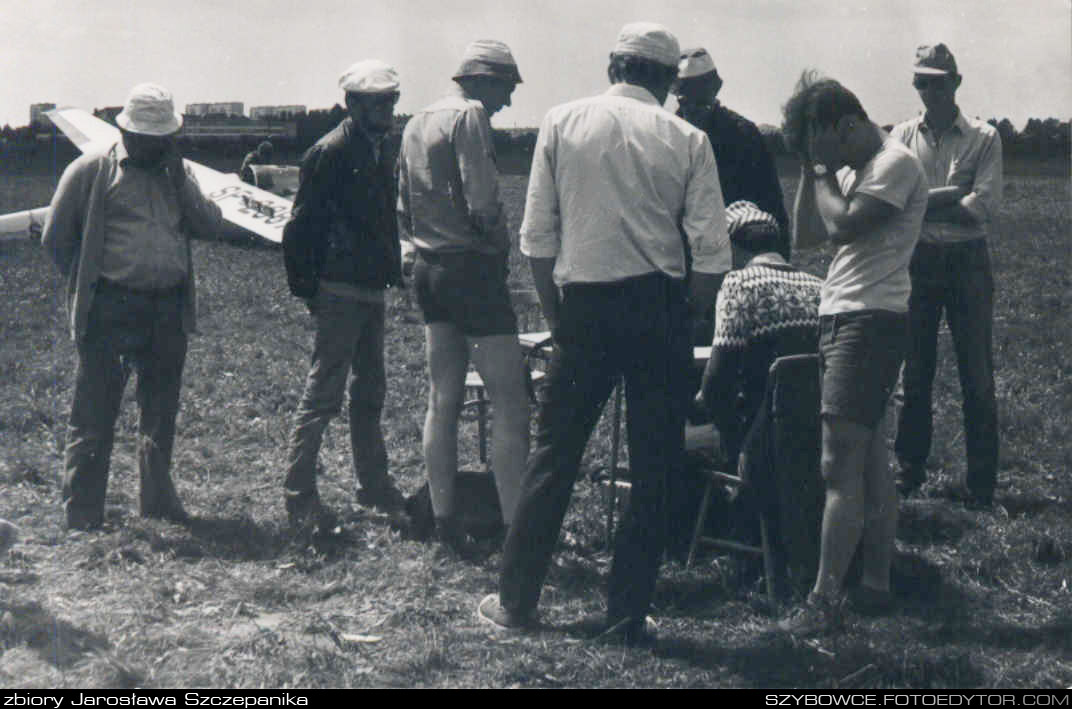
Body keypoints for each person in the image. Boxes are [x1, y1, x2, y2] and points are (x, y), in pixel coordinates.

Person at [476, 22, 730, 645]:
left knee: (554, 456)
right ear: (669, 81)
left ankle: (514, 602)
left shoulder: (562, 123)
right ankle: (626, 615)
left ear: (614, 65)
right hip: (659, 310)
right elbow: (712, 256)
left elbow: (538, 239)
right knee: (654, 466)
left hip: (584, 306)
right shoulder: (689, 138)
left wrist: (558, 315)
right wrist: (685, 315)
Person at [778, 71, 927, 634]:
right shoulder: (856, 169)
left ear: (846, 124)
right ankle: (875, 585)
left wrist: (819, 169)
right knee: (867, 461)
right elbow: (807, 237)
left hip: (867, 319)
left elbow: (839, 225)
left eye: (824, 141)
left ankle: (822, 602)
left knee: (837, 462)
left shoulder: (895, 163)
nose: (823, 157)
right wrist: (811, 166)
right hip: (849, 315)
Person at [42, 83, 223, 530]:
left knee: (159, 412)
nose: (156, 147)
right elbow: (56, 237)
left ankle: (157, 501)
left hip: (167, 309)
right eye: (148, 138)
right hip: (112, 308)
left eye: (164, 139)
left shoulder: (177, 175)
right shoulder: (90, 170)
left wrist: (184, 184)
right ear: (128, 132)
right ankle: (82, 511)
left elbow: (209, 225)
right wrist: (91, 285)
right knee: (94, 412)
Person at [396, 40, 529, 552]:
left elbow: (403, 207)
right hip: (471, 269)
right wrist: (496, 243)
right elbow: (483, 200)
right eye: (507, 89)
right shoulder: (469, 116)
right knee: (511, 402)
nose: (507, 103)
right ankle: (519, 530)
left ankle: (445, 520)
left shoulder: (414, 122)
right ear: (484, 79)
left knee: (442, 398)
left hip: (428, 268)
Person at [281, 60, 406, 532]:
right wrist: (310, 290)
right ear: (351, 105)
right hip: (340, 289)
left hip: (371, 288)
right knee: (324, 394)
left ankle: (373, 485)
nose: (387, 109)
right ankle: (299, 495)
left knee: (370, 390)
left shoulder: (379, 147)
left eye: (391, 100)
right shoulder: (330, 152)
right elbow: (299, 228)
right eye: (377, 102)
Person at [891, 44, 1003, 508]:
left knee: (975, 373)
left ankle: (982, 485)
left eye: (938, 81)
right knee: (914, 371)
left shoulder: (984, 136)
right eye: (921, 81)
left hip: (967, 263)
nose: (929, 90)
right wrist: (950, 194)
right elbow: (894, 202)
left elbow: (983, 208)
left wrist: (922, 202)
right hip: (917, 260)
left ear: (956, 82)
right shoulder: (899, 136)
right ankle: (909, 470)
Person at [693, 200, 822, 469]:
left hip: (762, 435)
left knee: (685, 436)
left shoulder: (739, 283)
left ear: (731, 249)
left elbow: (717, 383)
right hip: (815, 434)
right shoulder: (819, 287)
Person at [675, 48, 790, 261]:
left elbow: (771, 203)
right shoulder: (668, 134)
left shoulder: (744, 134)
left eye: (701, 102)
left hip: (734, 252)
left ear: (714, 91)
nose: (693, 110)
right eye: (686, 102)